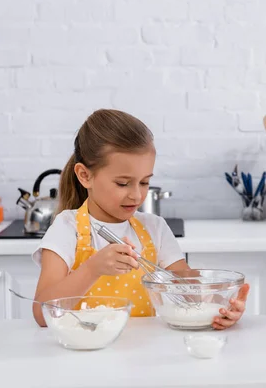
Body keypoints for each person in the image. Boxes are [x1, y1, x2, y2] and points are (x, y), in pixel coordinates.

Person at [32, 109, 249, 329]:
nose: (136, 195)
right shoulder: (67, 229)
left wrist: (223, 308)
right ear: (85, 176)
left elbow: (189, 293)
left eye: (144, 182)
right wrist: (92, 268)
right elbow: (42, 314)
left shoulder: (155, 229)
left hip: (145, 356)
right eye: (123, 183)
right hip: (86, 354)